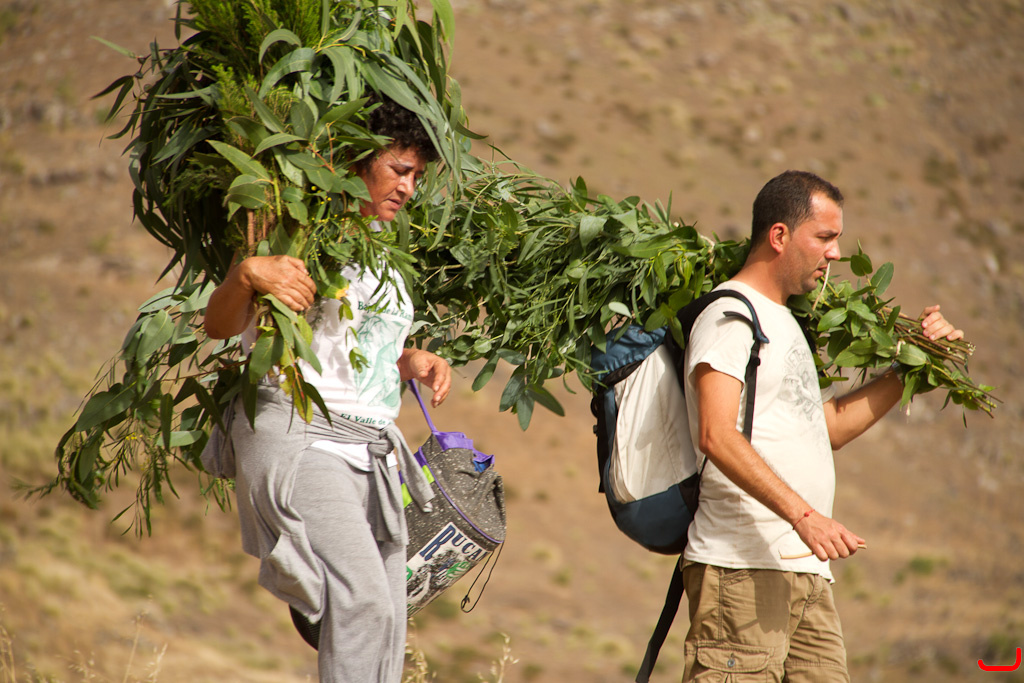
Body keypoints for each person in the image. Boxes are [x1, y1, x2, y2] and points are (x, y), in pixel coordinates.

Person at [203, 97, 452, 683]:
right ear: (356, 161)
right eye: (399, 170)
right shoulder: (294, 232)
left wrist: (409, 361)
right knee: (363, 603)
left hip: (370, 450)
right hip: (304, 437)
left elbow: (352, 355)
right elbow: (219, 325)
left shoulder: (383, 249)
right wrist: (247, 275)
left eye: (416, 175)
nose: (409, 187)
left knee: (389, 615)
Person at [680, 170, 963, 682]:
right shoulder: (729, 316)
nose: (835, 254)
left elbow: (826, 428)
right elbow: (716, 434)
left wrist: (916, 365)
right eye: (825, 237)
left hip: (806, 572)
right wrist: (805, 517)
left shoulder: (787, 322)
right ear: (780, 235)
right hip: (742, 569)